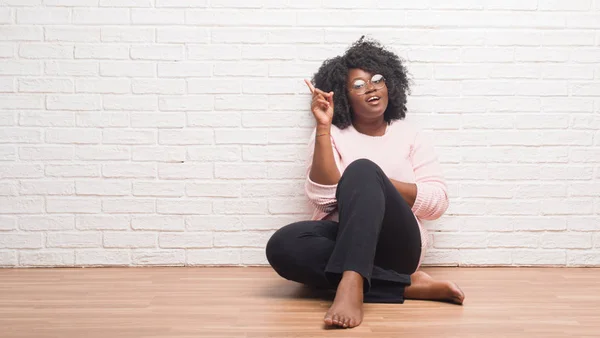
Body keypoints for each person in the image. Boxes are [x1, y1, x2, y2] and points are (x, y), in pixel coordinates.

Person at [265, 36, 465, 329]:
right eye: (358, 85)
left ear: (390, 84)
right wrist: (323, 128)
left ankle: (350, 284)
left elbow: (436, 202)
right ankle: (403, 286)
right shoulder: (332, 135)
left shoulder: (410, 136)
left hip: (398, 247)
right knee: (282, 246)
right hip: (346, 237)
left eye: (377, 79)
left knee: (363, 170)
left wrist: (378, 182)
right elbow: (322, 198)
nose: (371, 87)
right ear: (344, 96)